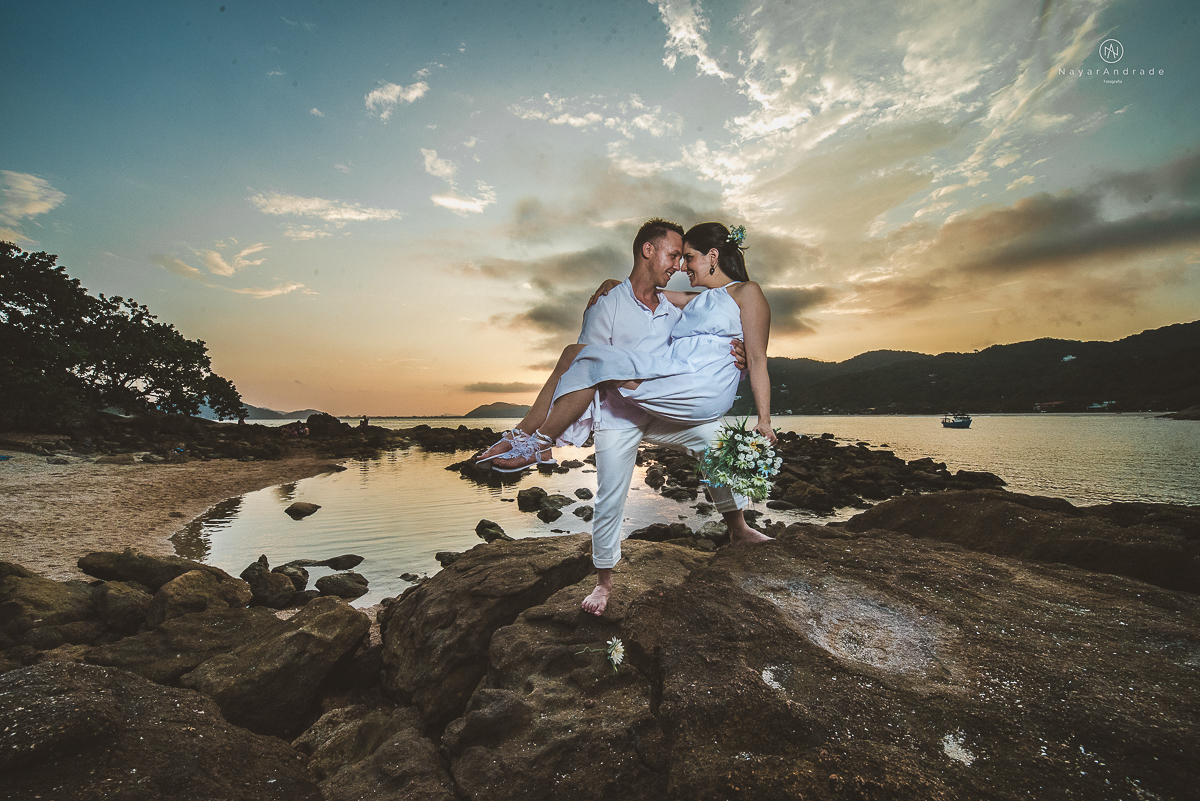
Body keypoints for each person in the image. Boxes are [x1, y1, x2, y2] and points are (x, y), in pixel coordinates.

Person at [481, 220, 774, 615]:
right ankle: (603, 580)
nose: (681, 266)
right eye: (675, 256)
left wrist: (762, 413)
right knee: (581, 363)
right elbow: (632, 308)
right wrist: (609, 283)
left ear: (713, 256)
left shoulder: (714, 296)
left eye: (686, 257)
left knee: (711, 441)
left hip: (677, 390)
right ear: (648, 251)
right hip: (634, 402)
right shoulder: (646, 301)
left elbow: (751, 348)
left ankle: (738, 527)